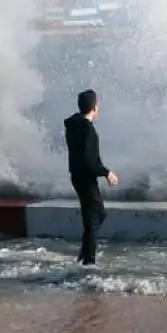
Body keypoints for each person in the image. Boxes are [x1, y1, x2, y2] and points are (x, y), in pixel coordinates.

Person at [63, 89, 118, 265]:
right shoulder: (87, 130)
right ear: (95, 108)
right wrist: (106, 172)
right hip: (86, 178)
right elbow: (88, 159)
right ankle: (89, 261)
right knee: (96, 215)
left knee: (92, 216)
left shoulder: (74, 124)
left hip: (77, 175)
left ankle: (84, 255)